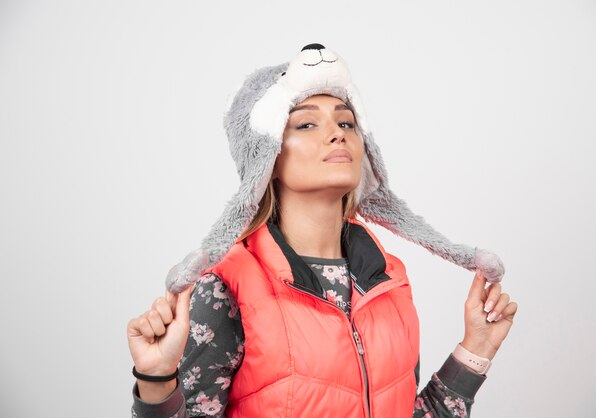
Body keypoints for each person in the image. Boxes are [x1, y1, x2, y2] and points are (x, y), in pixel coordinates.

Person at [127, 45, 518, 417]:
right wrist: (157, 380)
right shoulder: (227, 287)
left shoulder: (389, 278)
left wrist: (475, 350)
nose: (337, 133)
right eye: (307, 122)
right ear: (267, 157)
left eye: (346, 121)